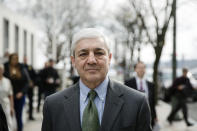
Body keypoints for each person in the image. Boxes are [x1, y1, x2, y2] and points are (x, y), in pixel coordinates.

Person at [42, 28, 152, 131]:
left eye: (99, 53)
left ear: (109, 58)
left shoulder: (137, 103)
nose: (91, 60)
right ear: (73, 61)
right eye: (83, 54)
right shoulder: (52, 105)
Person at [124, 61, 157, 127]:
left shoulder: (151, 85)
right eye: (139, 67)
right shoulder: (128, 83)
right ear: (135, 69)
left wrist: (155, 116)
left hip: (148, 116)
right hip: (133, 116)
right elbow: (125, 101)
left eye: (143, 67)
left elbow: (152, 102)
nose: (141, 69)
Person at [4, 53, 28, 131]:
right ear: (10, 59)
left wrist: (22, 92)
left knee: (18, 115)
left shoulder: (21, 67)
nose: (15, 60)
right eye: (13, 58)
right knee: (7, 115)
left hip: (19, 96)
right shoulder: (5, 67)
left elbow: (26, 82)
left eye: (16, 59)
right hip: (8, 96)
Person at [0, 64, 14, 131]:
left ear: (3, 71)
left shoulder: (7, 81)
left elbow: (11, 95)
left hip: (6, 105)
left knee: (8, 122)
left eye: (1, 69)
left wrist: (11, 107)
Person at [23, 56, 37, 120]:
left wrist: (33, 83)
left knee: (31, 101)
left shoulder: (30, 67)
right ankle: (23, 116)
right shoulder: (21, 67)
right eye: (24, 59)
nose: (25, 60)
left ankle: (30, 115)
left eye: (26, 59)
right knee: (23, 102)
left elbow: (35, 76)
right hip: (23, 88)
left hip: (30, 87)